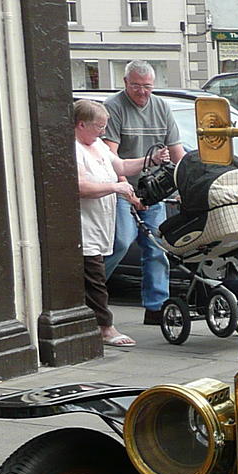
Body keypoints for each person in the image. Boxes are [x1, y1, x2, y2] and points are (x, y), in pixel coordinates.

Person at [102, 61, 184, 325]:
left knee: (157, 246)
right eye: (136, 86)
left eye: (147, 86)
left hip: (152, 188)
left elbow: (176, 151)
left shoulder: (161, 107)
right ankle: (89, 293)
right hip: (120, 184)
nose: (142, 92)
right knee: (121, 242)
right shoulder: (113, 107)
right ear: (126, 83)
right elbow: (110, 156)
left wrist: (185, 185)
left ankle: (156, 306)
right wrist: (127, 190)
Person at [74, 99, 152, 348]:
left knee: (95, 274)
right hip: (85, 226)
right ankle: (105, 326)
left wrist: (150, 160)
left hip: (102, 222)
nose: (103, 132)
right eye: (99, 126)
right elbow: (81, 187)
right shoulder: (74, 148)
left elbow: (121, 165)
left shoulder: (96, 144)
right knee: (95, 275)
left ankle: (96, 321)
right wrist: (115, 187)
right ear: (81, 124)